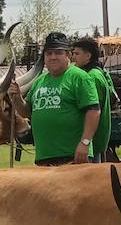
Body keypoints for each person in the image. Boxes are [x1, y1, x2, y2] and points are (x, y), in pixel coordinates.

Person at [16, 32, 100, 166]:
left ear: (68, 55)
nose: (53, 57)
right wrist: (15, 97)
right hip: (44, 156)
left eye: (58, 53)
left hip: (73, 156)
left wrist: (85, 143)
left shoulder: (80, 77)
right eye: (49, 53)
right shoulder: (40, 81)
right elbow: (26, 112)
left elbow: (93, 111)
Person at [71, 36, 115, 162]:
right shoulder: (100, 72)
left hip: (92, 140)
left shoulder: (91, 77)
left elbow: (92, 108)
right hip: (96, 138)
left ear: (88, 56)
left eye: (77, 53)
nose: (73, 57)